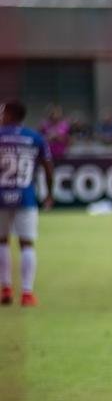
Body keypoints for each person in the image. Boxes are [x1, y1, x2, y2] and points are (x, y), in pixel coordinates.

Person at [0, 101, 54, 307]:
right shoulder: (35, 138)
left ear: (10, 115)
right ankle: (27, 293)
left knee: (2, 241)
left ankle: (5, 288)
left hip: (1, 194)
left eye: (2, 112)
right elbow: (48, 167)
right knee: (27, 244)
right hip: (26, 196)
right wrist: (49, 193)